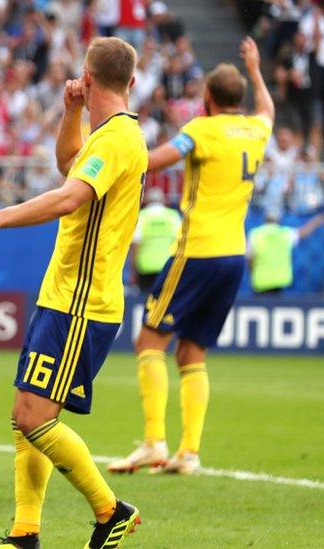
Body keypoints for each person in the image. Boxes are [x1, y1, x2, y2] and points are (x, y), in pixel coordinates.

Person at [0, 37, 145, 549]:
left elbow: (68, 197)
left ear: (89, 75)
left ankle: (110, 511)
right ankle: (25, 532)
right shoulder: (108, 136)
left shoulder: (120, 139)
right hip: (63, 295)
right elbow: (68, 166)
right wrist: (70, 113)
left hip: (83, 301)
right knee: (25, 415)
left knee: (34, 417)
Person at [107, 37, 274, 476]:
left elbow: (155, 160)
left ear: (207, 99)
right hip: (234, 256)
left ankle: (153, 442)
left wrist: (118, 151)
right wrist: (256, 69)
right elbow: (269, 110)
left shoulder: (200, 130)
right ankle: (189, 453)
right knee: (192, 353)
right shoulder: (257, 130)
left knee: (148, 341)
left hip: (197, 251)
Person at [247, 208, 324, 294]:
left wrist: (253, 272)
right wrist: (316, 221)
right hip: (280, 281)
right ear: (278, 220)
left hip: (260, 282)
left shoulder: (255, 234)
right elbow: (303, 232)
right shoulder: (285, 234)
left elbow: (249, 259)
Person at [131, 187, 181, 294]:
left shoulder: (141, 216)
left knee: (146, 301)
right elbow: (180, 242)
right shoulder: (173, 216)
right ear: (163, 200)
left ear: (147, 201)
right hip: (167, 266)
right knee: (164, 303)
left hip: (145, 268)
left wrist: (133, 271)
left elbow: (135, 245)